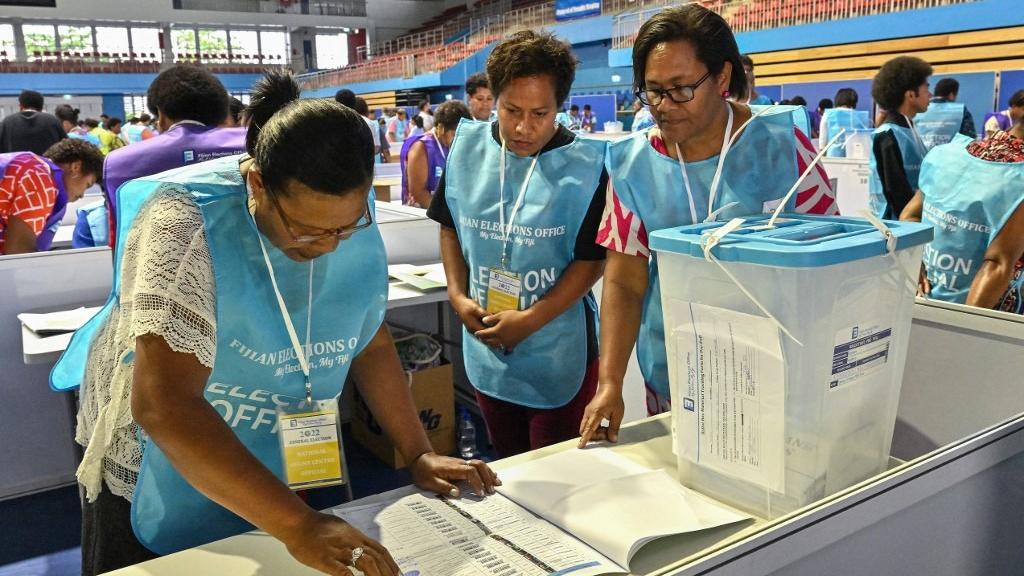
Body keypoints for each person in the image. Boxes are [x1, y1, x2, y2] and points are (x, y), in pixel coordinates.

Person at [56, 70, 499, 576]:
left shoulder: (343, 207)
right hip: (159, 453)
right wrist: (299, 526)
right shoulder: (183, 222)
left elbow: (369, 339)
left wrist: (418, 452)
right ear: (257, 184)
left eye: (344, 228)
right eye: (307, 230)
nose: (329, 245)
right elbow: (165, 405)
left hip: (266, 437)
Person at [580, 4, 838, 444]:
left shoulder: (781, 146)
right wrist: (609, 383)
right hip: (675, 373)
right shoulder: (632, 166)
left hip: (774, 369)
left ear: (721, 78)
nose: (664, 106)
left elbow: (828, 258)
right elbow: (624, 283)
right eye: (653, 90)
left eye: (681, 89)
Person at [427, 30, 608, 458]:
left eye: (540, 113)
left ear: (559, 108)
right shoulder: (467, 148)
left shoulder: (586, 165)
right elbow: (450, 227)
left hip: (557, 351)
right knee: (507, 466)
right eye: (511, 110)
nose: (524, 128)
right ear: (494, 98)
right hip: (488, 344)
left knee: (554, 473)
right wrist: (456, 294)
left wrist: (530, 320)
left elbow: (591, 261)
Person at [83, 64, 247, 249]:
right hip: (248, 264)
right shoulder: (253, 144)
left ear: (160, 116)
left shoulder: (119, 163)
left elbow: (121, 237)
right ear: (223, 112)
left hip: (160, 267)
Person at [900, 116, 1024, 313]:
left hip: (922, 298)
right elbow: (998, 264)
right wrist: (961, 332)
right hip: (983, 316)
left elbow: (909, 215)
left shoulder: (946, 154)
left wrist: (914, 260)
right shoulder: (1019, 178)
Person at [0, 139, 102, 254]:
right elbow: (18, 252)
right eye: (87, 185)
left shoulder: (30, 167)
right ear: (76, 167)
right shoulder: (41, 180)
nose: (82, 195)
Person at [869, 56, 932, 219]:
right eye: (926, 88)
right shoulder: (887, 135)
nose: (930, 94)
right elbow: (895, 192)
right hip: (897, 228)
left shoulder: (910, 128)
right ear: (911, 95)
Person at [400, 100, 470, 208]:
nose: (459, 139)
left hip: (446, 211)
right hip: (421, 215)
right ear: (441, 128)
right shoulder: (421, 147)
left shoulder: (453, 146)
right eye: (454, 134)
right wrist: (448, 216)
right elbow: (418, 193)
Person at [914, 77, 977, 149]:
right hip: (951, 158)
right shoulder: (961, 110)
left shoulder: (918, 110)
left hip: (922, 157)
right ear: (951, 95)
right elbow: (970, 142)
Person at [0, 90, 66, 155]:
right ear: (41, 107)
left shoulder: (6, 122)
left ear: (20, 106)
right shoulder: (53, 121)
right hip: (46, 165)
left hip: (15, 165)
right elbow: (66, 147)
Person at [819, 87, 869, 157]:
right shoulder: (860, 116)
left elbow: (823, 140)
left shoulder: (828, 114)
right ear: (854, 101)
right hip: (855, 156)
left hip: (833, 156)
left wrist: (822, 154)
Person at [353, 97, 385, 163]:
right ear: (365, 108)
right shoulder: (369, 123)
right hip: (366, 163)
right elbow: (376, 147)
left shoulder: (344, 122)